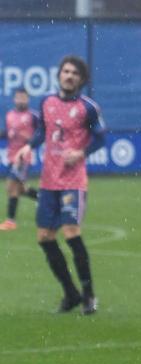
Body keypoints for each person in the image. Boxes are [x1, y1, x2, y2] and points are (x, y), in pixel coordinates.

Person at [16, 56, 106, 314]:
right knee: (44, 237)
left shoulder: (88, 107)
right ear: (59, 75)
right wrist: (27, 146)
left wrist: (81, 153)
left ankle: (89, 296)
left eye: (74, 73)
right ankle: (71, 293)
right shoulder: (46, 102)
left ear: (81, 79)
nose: (69, 76)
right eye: (66, 71)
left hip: (73, 181)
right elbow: (42, 133)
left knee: (71, 232)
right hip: (48, 180)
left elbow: (101, 139)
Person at [2, 88, 40, 231]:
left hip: (24, 157)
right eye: (18, 97)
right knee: (21, 189)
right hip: (11, 156)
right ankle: (43, 198)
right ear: (14, 99)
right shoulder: (9, 115)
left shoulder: (33, 116)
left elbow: (42, 133)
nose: (21, 100)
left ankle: (10, 222)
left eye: (23, 98)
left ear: (28, 99)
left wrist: (30, 139)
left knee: (11, 186)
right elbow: (8, 133)